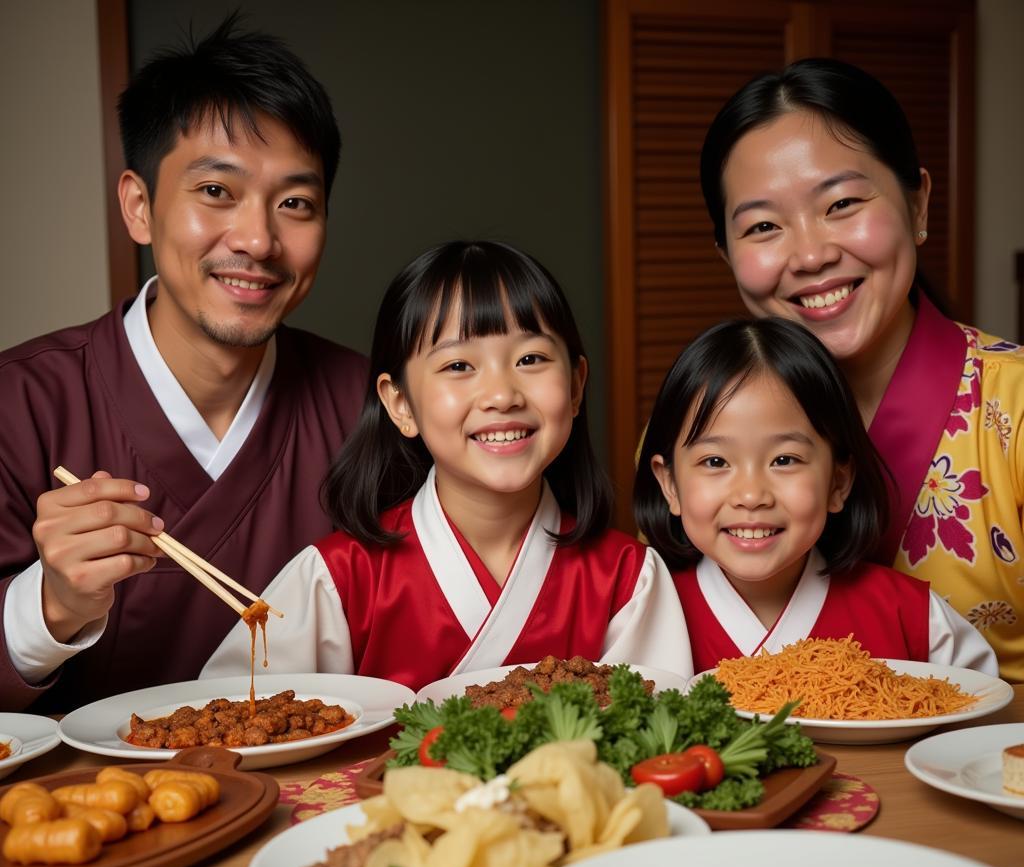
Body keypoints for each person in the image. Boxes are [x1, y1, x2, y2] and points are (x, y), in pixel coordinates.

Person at [0, 18, 368, 711]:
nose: (258, 240)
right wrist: (51, 605)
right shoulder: (19, 405)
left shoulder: (368, 405)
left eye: (295, 204)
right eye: (215, 192)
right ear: (139, 208)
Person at [203, 240, 691, 689]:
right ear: (400, 405)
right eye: (459, 366)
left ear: (577, 386)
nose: (502, 395)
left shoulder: (628, 579)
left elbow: (655, 751)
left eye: (531, 359)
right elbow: (237, 724)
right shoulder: (338, 577)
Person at [699, 58, 1023, 683]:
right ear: (728, 254)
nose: (813, 254)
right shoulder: (699, 432)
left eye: (842, 203)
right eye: (763, 226)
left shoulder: (1012, 408)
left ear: (918, 202)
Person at [634, 317, 996, 676]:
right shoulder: (642, 613)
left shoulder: (914, 618)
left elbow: (981, 719)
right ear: (670, 484)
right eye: (715, 461)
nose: (751, 495)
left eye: (784, 460)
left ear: (838, 482)